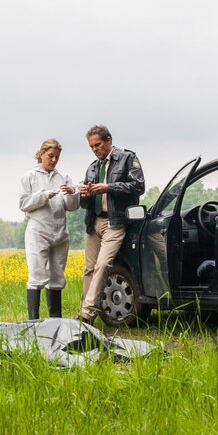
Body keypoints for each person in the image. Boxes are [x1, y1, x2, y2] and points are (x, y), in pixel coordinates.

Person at [78, 125, 145, 323]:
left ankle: (86, 315)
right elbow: (84, 204)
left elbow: (138, 186)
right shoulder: (92, 167)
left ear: (108, 140)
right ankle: (85, 308)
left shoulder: (127, 158)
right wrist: (85, 195)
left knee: (102, 265)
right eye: (91, 147)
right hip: (94, 222)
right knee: (89, 269)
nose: (95, 149)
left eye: (98, 145)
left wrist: (109, 187)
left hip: (114, 222)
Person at [19, 138, 80, 319]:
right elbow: (23, 204)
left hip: (60, 231)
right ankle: (33, 322)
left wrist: (72, 193)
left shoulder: (64, 178)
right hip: (38, 231)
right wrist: (43, 195)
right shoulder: (30, 177)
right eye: (50, 156)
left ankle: (55, 320)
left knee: (56, 274)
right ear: (42, 154)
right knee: (37, 273)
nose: (53, 160)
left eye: (57, 157)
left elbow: (73, 206)